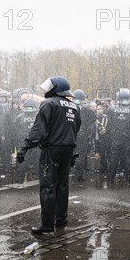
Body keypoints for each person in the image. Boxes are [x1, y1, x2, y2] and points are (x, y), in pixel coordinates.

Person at [17, 76, 81, 234]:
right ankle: (61, 219)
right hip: (67, 148)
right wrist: (71, 151)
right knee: (62, 185)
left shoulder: (48, 104)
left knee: (48, 186)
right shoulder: (74, 107)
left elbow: (39, 130)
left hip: (51, 149)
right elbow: (75, 129)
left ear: (56, 89)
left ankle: (46, 225)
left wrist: (25, 148)